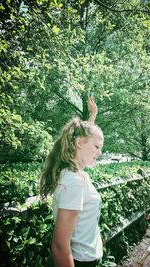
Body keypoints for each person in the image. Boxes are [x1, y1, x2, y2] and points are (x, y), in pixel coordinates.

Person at [40, 97, 104, 267]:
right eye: (97, 147)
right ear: (78, 143)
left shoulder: (72, 172)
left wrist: (93, 115)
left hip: (85, 258)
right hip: (79, 261)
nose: (100, 152)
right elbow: (60, 247)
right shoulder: (75, 181)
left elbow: (85, 138)